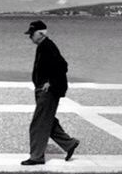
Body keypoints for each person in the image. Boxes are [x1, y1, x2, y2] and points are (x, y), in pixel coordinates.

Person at [21, 20, 80, 165]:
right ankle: (69, 144)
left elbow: (62, 65)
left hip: (49, 92)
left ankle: (36, 157)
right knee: (47, 120)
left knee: (39, 124)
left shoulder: (48, 46)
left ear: (40, 33)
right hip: (44, 90)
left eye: (31, 34)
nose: (30, 37)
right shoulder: (43, 46)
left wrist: (50, 82)